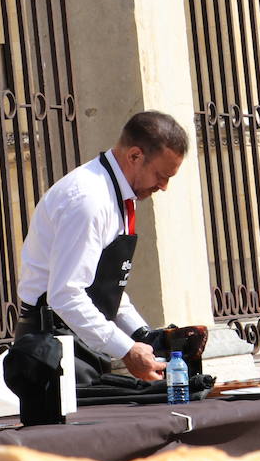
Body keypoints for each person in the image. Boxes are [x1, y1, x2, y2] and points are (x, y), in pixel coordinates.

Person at [14, 111, 188, 386]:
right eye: (160, 175)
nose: (164, 187)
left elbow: (104, 287)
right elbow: (66, 295)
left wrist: (144, 335)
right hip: (50, 349)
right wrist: (127, 350)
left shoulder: (116, 195)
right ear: (134, 156)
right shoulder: (89, 200)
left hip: (79, 339)